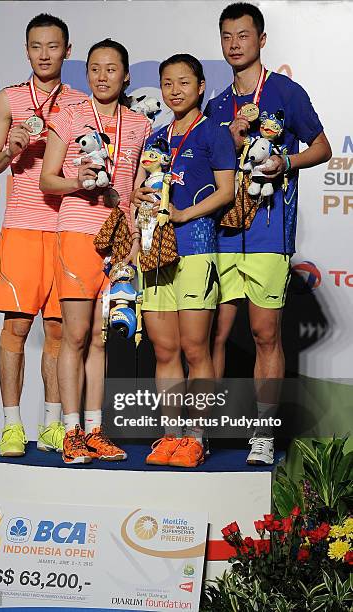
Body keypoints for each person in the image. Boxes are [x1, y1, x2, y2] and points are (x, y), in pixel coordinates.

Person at [205, 2, 332, 464]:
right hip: (219, 234)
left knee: (264, 334)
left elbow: (322, 146)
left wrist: (286, 162)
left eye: (243, 35)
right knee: (212, 335)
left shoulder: (285, 91)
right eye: (226, 36)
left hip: (269, 231)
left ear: (261, 40)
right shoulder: (216, 104)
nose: (234, 43)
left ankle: (261, 435)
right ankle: (202, 433)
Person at [0, 14, 87, 457]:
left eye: (53, 46)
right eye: (36, 46)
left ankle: (51, 425)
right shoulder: (8, 100)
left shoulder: (80, 104)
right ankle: (10, 426)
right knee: (16, 328)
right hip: (22, 229)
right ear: (26, 50)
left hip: (67, 229)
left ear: (66, 49)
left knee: (59, 332)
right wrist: (11, 149)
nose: (45, 54)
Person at [40, 39, 152, 464]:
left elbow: (137, 189)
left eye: (111, 69)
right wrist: (77, 178)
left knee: (104, 340)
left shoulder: (140, 124)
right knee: (76, 334)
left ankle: (95, 430)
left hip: (120, 240)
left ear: (125, 76)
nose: (102, 76)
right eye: (94, 68)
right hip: (76, 232)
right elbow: (47, 180)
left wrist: (138, 236)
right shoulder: (68, 117)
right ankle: (71, 433)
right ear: (85, 74)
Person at [133, 54, 236, 468]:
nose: (175, 90)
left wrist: (183, 215)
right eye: (167, 83)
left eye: (183, 82)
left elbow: (226, 191)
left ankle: (197, 436)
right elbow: (141, 188)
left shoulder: (214, 133)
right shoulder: (156, 138)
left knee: (196, 347)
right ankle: (170, 435)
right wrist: (140, 195)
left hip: (195, 246)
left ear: (200, 86)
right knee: (164, 349)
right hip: (156, 252)